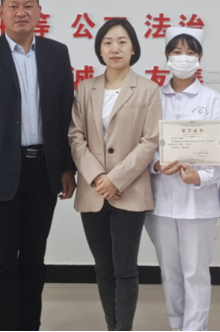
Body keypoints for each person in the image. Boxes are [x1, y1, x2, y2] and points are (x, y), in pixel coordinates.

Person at [0, 0, 77, 331]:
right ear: (0, 12)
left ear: (40, 12)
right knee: (2, 262)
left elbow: (66, 113)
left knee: (34, 259)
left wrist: (68, 167)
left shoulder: (57, 53)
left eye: (28, 5)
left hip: (45, 170)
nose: (21, 12)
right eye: (13, 6)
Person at [69, 18, 161, 331]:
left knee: (125, 269)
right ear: (100, 49)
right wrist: (98, 178)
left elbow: (149, 141)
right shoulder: (85, 88)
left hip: (129, 191)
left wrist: (116, 179)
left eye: (122, 42)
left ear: (134, 48)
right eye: (107, 42)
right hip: (93, 191)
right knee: (103, 268)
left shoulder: (147, 89)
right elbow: (75, 137)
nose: (115, 48)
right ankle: (113, 326)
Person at [145, 27, 220, 332]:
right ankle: (176, 325)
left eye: (190, 52)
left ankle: (195, 328)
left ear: (200, 57)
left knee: (196, 272)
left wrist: (201, 177)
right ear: (167, 56)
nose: (184, 58)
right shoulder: (153, 96)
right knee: (169, 271)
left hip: (198, 199)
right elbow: (143, 143)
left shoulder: (213, 100)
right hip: (161, 199)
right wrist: (156, 164)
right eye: (177, 52)